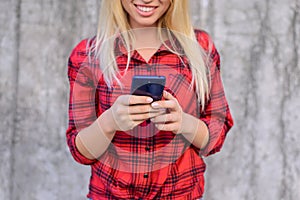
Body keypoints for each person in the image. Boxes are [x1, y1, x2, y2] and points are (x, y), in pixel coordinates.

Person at [66, 0, 234, 199]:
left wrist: (183, 123)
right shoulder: (87, 54)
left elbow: (216, 136)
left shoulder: (200, 47)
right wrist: (109, 122)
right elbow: (81, 153)